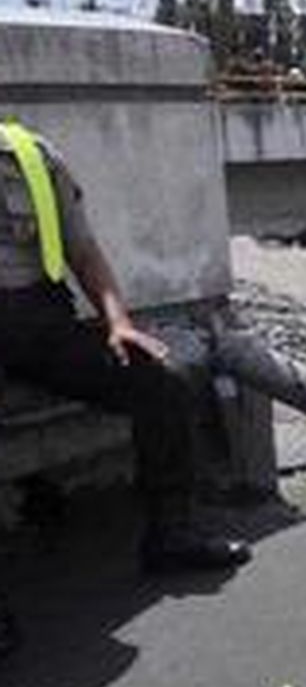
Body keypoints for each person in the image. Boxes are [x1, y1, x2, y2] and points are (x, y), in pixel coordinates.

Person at [0, 120, 250, 659]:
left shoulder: (32, 155)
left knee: (159, 381)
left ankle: (170, 534)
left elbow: (84, 252)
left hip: (40, 320)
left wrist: (118, 321)